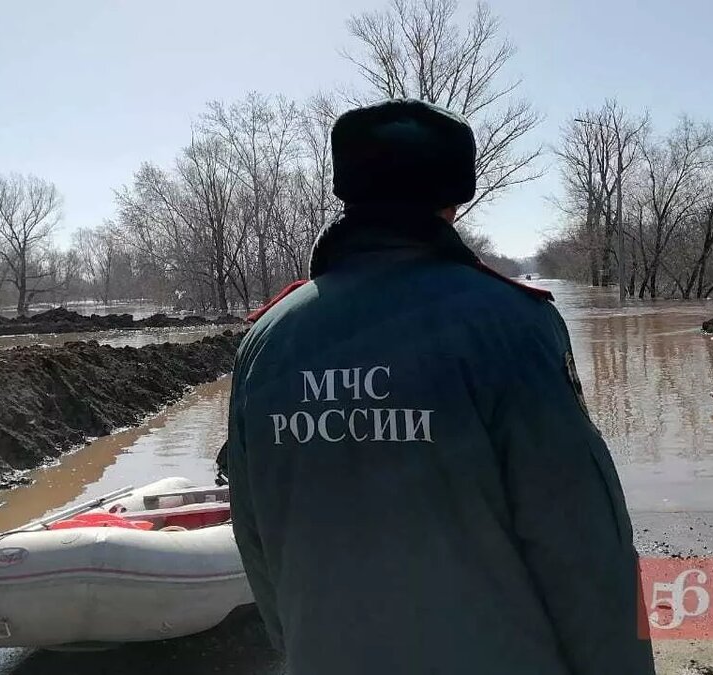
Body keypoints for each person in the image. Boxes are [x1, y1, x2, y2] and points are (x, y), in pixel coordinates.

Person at [227, 98, 655, 675]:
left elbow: (254, 535)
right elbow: (581, 543)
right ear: (454, 200)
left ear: (346, 191)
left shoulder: (266, 341)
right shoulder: (511, 325)